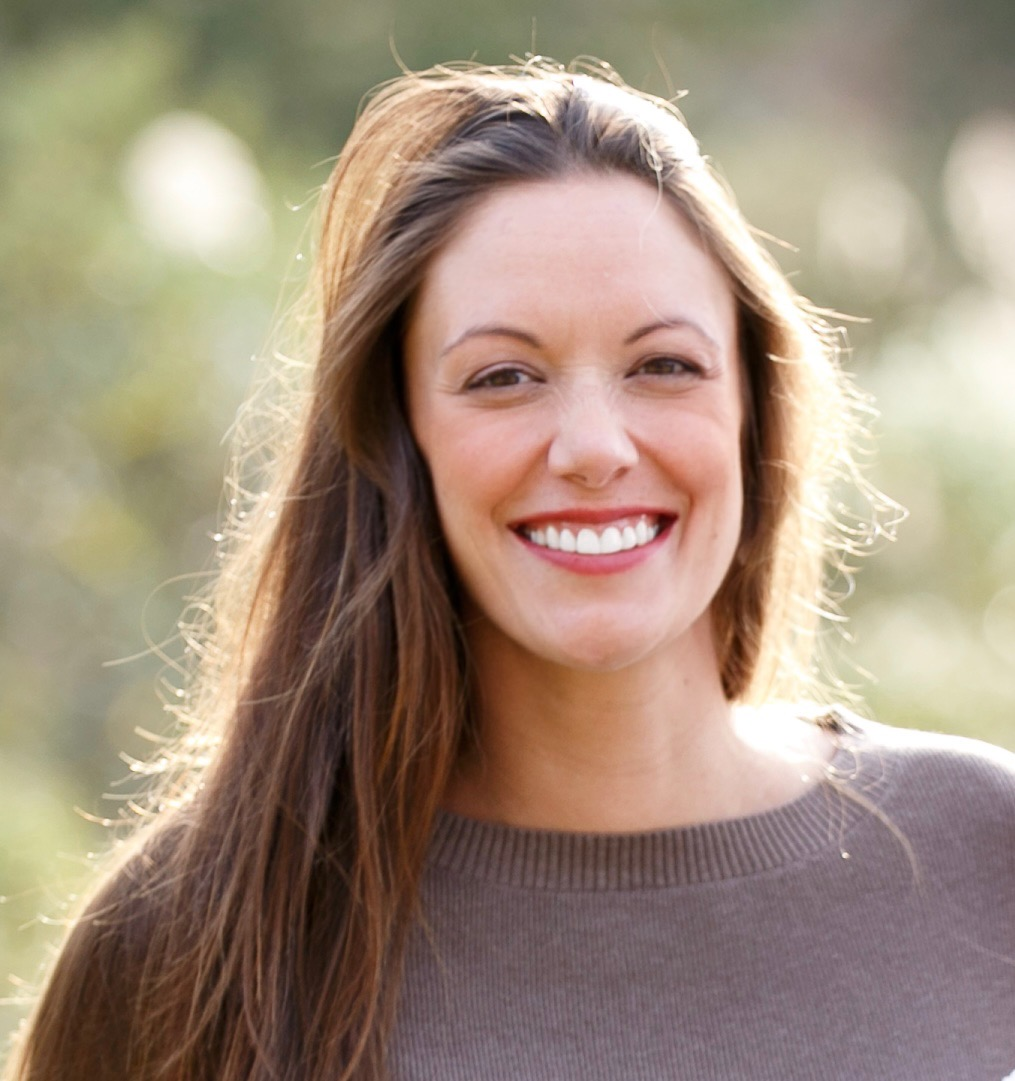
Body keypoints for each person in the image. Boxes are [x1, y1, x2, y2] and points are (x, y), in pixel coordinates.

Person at [6, 59, 1015, 1081]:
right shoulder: (196, 939)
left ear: (751, 407)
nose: (592, 445)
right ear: (401, 436)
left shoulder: (987, 849)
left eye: (663, 364)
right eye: (502, 377)